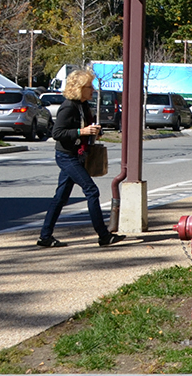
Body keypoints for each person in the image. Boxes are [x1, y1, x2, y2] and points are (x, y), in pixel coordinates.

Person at [37, 68, 125, 248]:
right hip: (66, 156)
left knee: (60, 197)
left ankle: (45, 236)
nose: (92, 89)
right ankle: (103, 235)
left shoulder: (83, 106)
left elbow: (84, 130)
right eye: (89, 86)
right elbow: (57, 133)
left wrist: (93, 133)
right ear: (78, 88)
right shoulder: (68, 106)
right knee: (92, 191)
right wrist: (81, 131)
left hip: (78, 155)